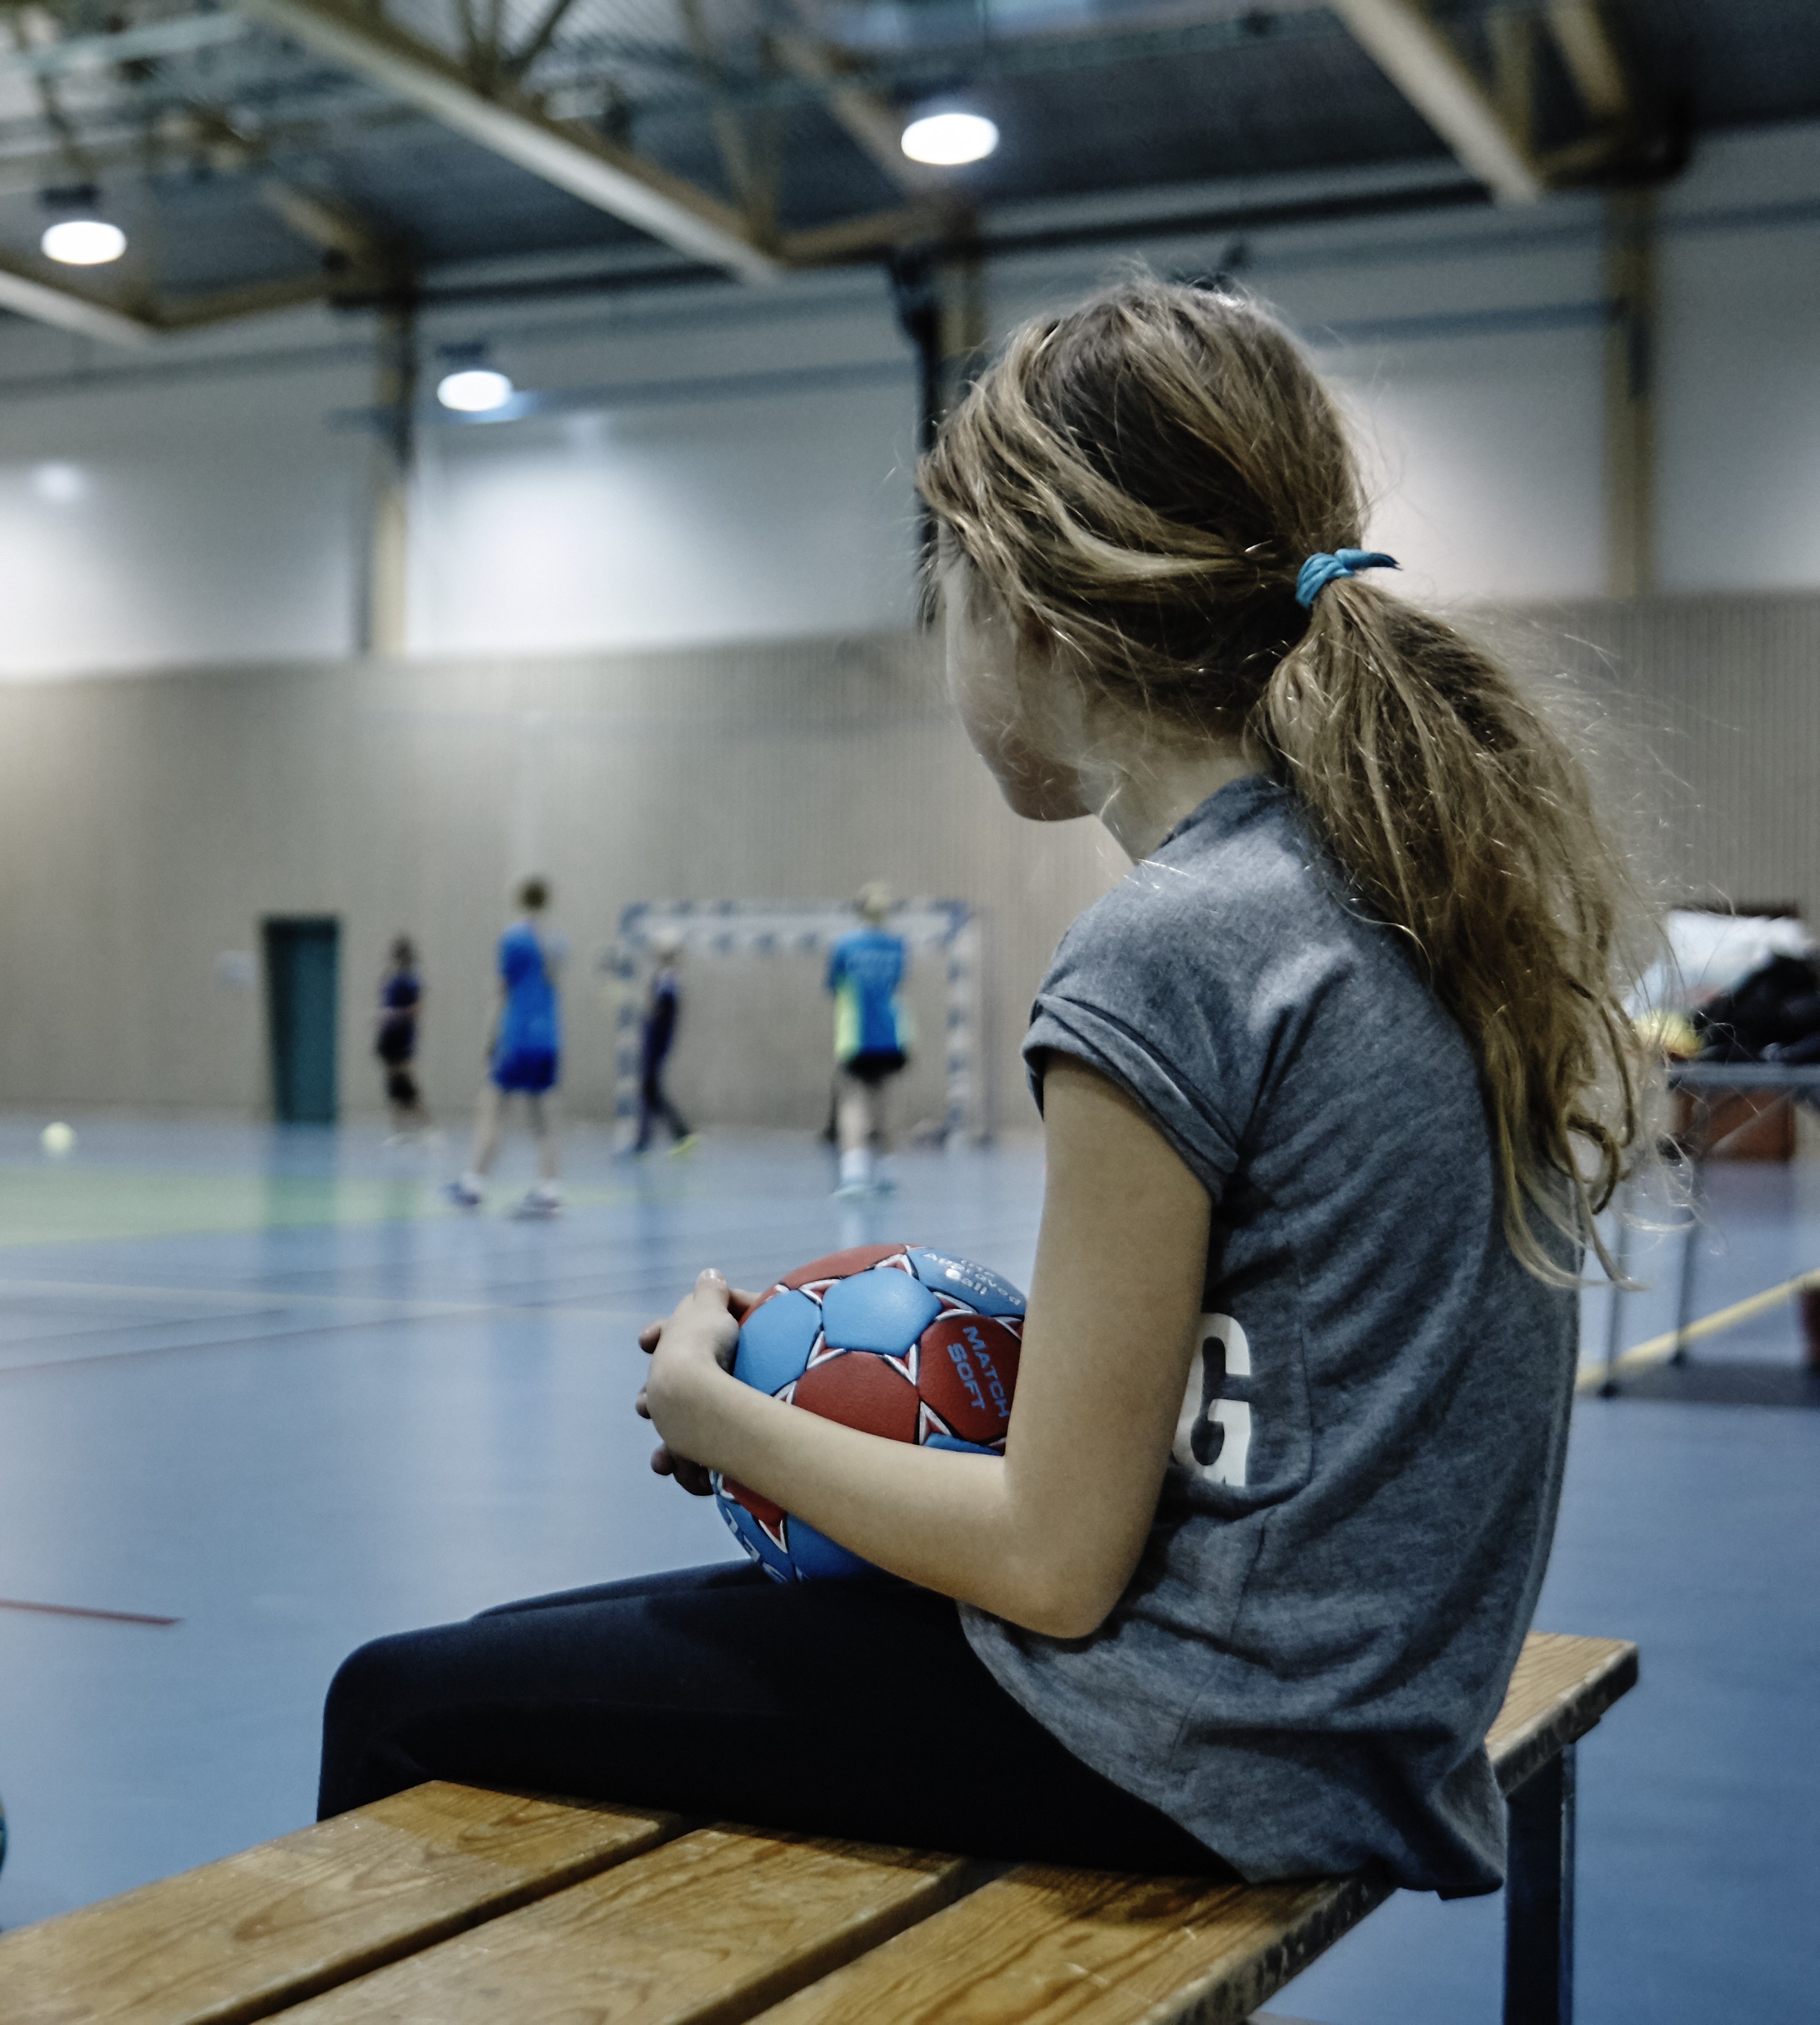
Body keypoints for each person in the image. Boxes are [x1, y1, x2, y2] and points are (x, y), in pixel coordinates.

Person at [321, 280, 1644, 1898]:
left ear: (1025, 610)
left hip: (1208, 1744)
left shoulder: (1173, 945)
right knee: (510, 1652)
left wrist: (715, 1414)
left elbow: (1053, 1560)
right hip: (1347, 1714)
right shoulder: (1378, 877)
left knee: (398, 1703)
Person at [446, 878, 565, 1217]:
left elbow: (502, 991)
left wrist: (489, 1037)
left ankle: (472, 1185)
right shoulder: (557, 942)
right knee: (543, 1117)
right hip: (549, 1040)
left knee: (492, 1108)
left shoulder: (514, 939)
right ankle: (550, 1190)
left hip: (519, 1037)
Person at [828, 885, 910, 1194]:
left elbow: (835, 986)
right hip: (892, 1034)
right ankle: (888, 1172)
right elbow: (898, 983)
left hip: (857, 1036)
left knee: (853, 1103)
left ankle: (855, 1175)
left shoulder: (845, 946)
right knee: (886, 1103)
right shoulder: (897, 946)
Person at [631, 931, 696, 1156]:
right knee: (649, 1089)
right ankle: (646, 1139)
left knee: (650, 1089)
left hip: (657, 1041)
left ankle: (681, 1134)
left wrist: (649, 1015)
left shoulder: (669, 979)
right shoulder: (665, 977)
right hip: (656, 1039)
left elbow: (663, 1011)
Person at [375, 936, 428, 1142]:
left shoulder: (412, 979)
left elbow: (418, 1008)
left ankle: (426, 1126)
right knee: (392, 1082)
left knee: (404, 1081)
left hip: (403, 1034)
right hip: (389, 1034)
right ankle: (397, 1129)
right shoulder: (389, 977)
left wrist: (394, 1014)